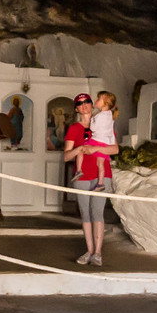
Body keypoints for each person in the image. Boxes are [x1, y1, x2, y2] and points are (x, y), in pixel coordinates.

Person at [63, 93, 116, 266]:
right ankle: (90, 250)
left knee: (97, 212)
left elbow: (115, 149)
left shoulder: (103, 121)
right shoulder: (74, 129)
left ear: (93, 104)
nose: (84, 105)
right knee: (85, 213)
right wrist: (80, 149)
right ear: (76, 108)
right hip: (82, 175)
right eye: (80, 103)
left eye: (87, 101)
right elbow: (66, 156)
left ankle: (98, 253)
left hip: (102, 173)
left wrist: (94, 149)